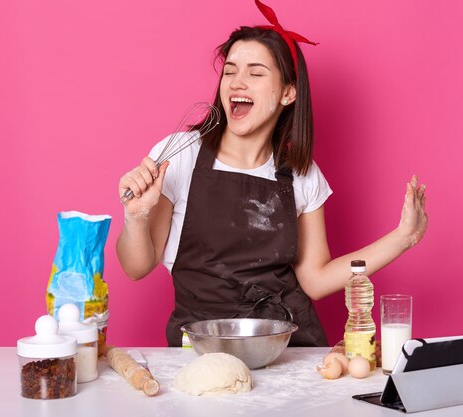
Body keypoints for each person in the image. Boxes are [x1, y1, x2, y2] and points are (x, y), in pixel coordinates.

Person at [116, 0, 427, 347]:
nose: (237, 82)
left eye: (256, 72)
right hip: (203, 346)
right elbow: (135, 267)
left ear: (288, 93)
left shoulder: (302, 176)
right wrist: (136, 218)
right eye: (230, 70)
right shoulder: (181, 155)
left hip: (288, 346)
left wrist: (403, 237)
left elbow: (315, 279)